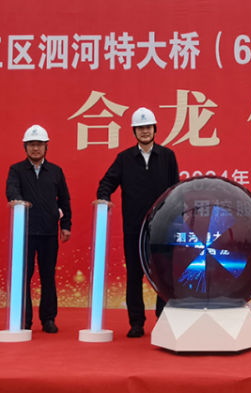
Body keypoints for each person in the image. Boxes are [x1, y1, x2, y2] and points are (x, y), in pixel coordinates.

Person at [96, 107, 179, 338]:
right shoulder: (124, 158)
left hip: (162, 227)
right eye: (140, 128)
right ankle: (136, 323)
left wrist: (176, 222)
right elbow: (106, 182)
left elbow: (176, 190)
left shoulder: (168, 156)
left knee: (164, 274)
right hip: (134, 228)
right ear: (134, 132)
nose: (145, 131)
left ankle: (164, 318)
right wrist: (103, 198)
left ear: (155, 130)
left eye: (148, 127)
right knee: (134, 275)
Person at [5, 125, 71, 333]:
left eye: (39, 144)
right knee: (23, 277)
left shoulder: (55, 171)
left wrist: (66, 225)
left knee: (48, 276)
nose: (35, 148)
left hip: (49, 232)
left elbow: (64, 200)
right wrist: (17, 200)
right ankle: (24, 320)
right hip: (24, 233)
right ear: (25, 147)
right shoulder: (16, 170)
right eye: (31, 144)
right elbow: (11, 189)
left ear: (46, 147)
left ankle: (48, 319)